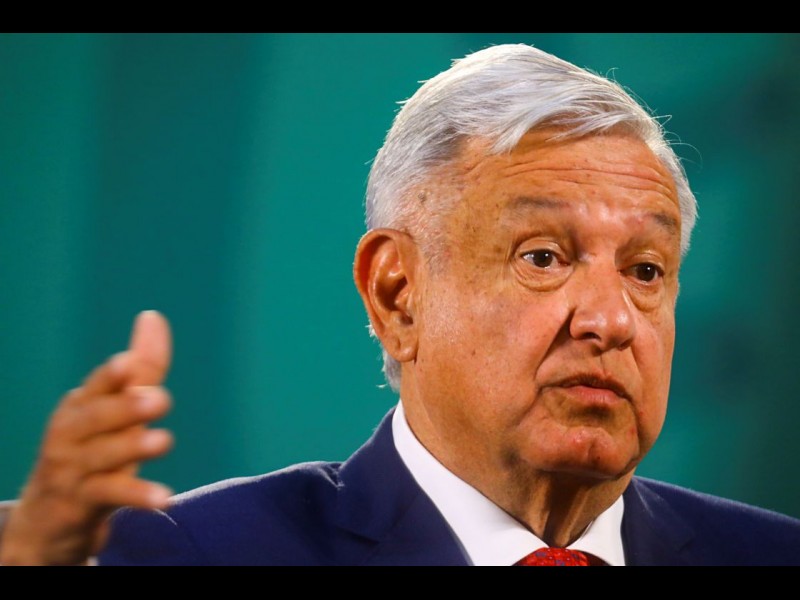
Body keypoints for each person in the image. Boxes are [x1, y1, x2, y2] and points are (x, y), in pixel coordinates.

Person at [1, 43, 799, 566]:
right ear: (397, 294)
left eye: (646, 270)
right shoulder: (194, 552)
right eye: (543, 258)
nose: (610, 320)